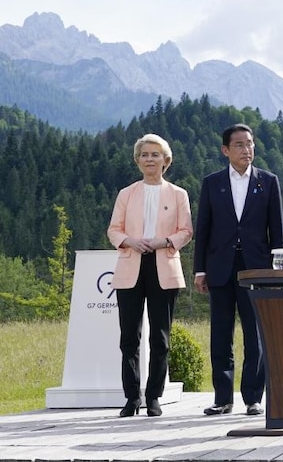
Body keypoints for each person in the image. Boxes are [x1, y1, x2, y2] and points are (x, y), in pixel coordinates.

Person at [193, 123, 283, 416]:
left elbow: (277, 230)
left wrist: (276, 271)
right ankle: (222, 398)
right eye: (239, 145)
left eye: (250, 144)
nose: (247, 150)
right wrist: (199, 270)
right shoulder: (212, 183)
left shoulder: (268, 181)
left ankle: (253, 398)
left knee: (255, 334)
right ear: (225, 150)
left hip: (256, 269)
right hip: (219, 268)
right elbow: (203, 228)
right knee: (220, 334)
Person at [107, 134, 193, 418]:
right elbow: (113, 230)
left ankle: (154, 396)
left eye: (155, 154)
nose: (150, 159)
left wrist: (164, 241)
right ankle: (132, 397)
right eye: (144, 154)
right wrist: (130, 241)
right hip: (131, 266)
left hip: (163, 266)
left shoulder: (178, 194)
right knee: (129, 337)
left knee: (160, 337)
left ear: (166, 160)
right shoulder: (126, 193)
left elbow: (186, 231)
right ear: (137, 160)